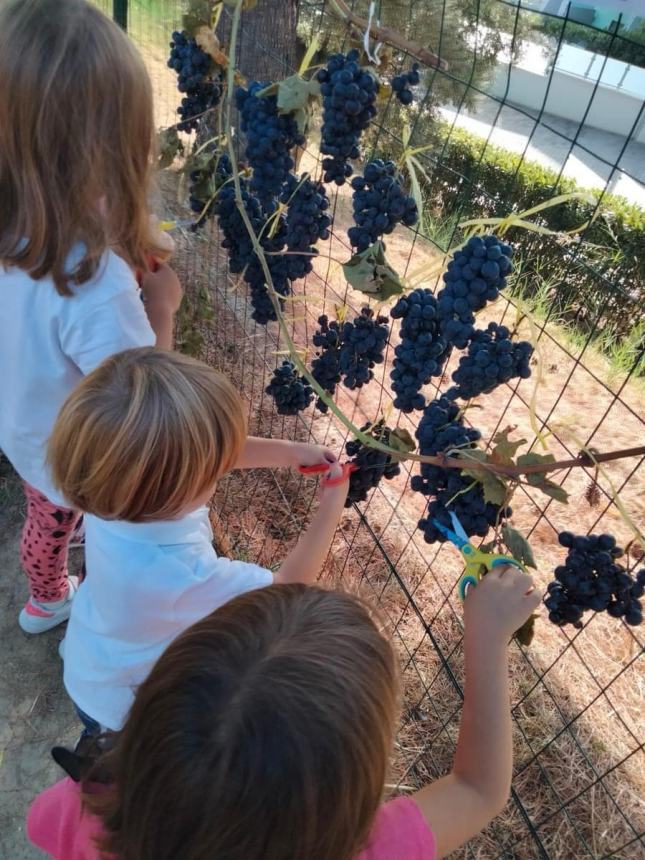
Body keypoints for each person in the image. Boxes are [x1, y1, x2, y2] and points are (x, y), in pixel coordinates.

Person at [27, 569, 542, 859]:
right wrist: (487, 640)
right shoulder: (374, 851)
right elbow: (478, 789)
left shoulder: (87, 806)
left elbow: (39, 826)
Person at [0, 0, 183, 635]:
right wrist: (161, 310)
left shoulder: (15, 230)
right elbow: (143, 405)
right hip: (69, 458)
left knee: (42, 504)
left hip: (21, 424)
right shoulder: (96, 287)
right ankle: (47, 599)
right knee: (55, 521)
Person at [47, 347, 346, 734]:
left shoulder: (113, 493)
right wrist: (332, 503)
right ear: (178, 482)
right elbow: (289, 587)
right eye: (213, 469)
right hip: (118, 709)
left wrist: (290, 453)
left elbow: (205, 454)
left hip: (94, 654)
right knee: (117, 781)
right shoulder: (177, 573)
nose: (220, 469)